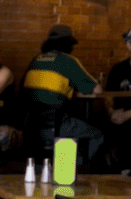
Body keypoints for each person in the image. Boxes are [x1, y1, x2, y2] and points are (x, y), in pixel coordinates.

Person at [21, 24, 104, 161]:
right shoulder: (68, 61)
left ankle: (59, 167)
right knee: (97, 135)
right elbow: (97, 90)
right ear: (68, 45)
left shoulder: (35, 60)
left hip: (31, 127)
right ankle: (79, 173)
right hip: (57, 127)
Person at [105, 29, 131, 173]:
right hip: (119, 118)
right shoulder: (118, 69)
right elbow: (107, 95)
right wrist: (111, 112)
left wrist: (126, 115)